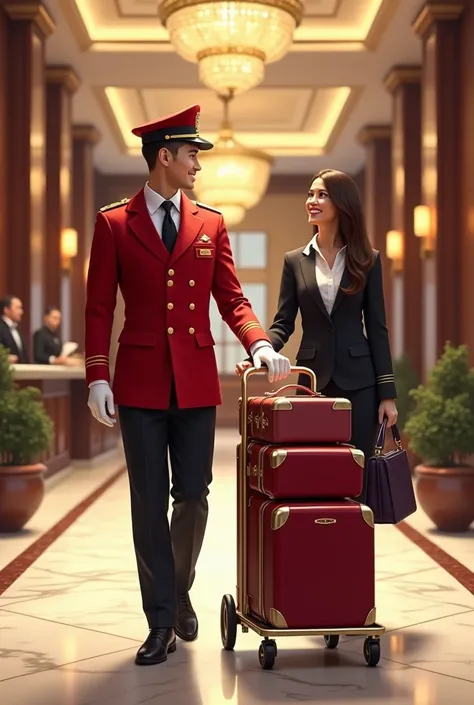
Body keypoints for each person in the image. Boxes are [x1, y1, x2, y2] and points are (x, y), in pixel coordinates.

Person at [84, 105, 291, 667]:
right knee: (148, 504)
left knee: (193, 497)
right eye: (192, 153)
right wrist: (97, 375)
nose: (198, 163)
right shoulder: (114, 224)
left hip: (196, 382)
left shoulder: (211, 223)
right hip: (140, 384)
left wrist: (257, 342)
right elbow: (99, 307)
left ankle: (179, 590)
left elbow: (231, 296)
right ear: (164, 157)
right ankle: (158, 621)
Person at [237, 168, 398, 502]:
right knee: (317, 470)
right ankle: (321, 541)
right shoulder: (294, 261)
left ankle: (353, 548)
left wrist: (388, 395)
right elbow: (284, 322)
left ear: (342, 203)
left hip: (361, 383)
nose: (312, 201)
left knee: (358, 473)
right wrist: (258, 351)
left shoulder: (368, 260)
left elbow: (378, 329)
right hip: (313, 382)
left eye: (322, 194)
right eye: (310, 194)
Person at [0, 295, 28, 363]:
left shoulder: (17, 328)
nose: (21, 312)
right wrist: (4, 357)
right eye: (18, 308)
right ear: (6, 310)